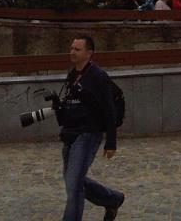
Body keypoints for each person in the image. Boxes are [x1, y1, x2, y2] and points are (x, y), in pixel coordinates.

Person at [56, 35, 125, 221]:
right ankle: (112, 199)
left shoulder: (98, 76)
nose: (72, 52)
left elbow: (109, 110)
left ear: (89, 53)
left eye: (77, 49)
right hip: (70, 133)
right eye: (71, 48)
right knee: (73, 180)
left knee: (74, 183)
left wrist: (111, 142)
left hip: (88, 134)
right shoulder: (72, 74)